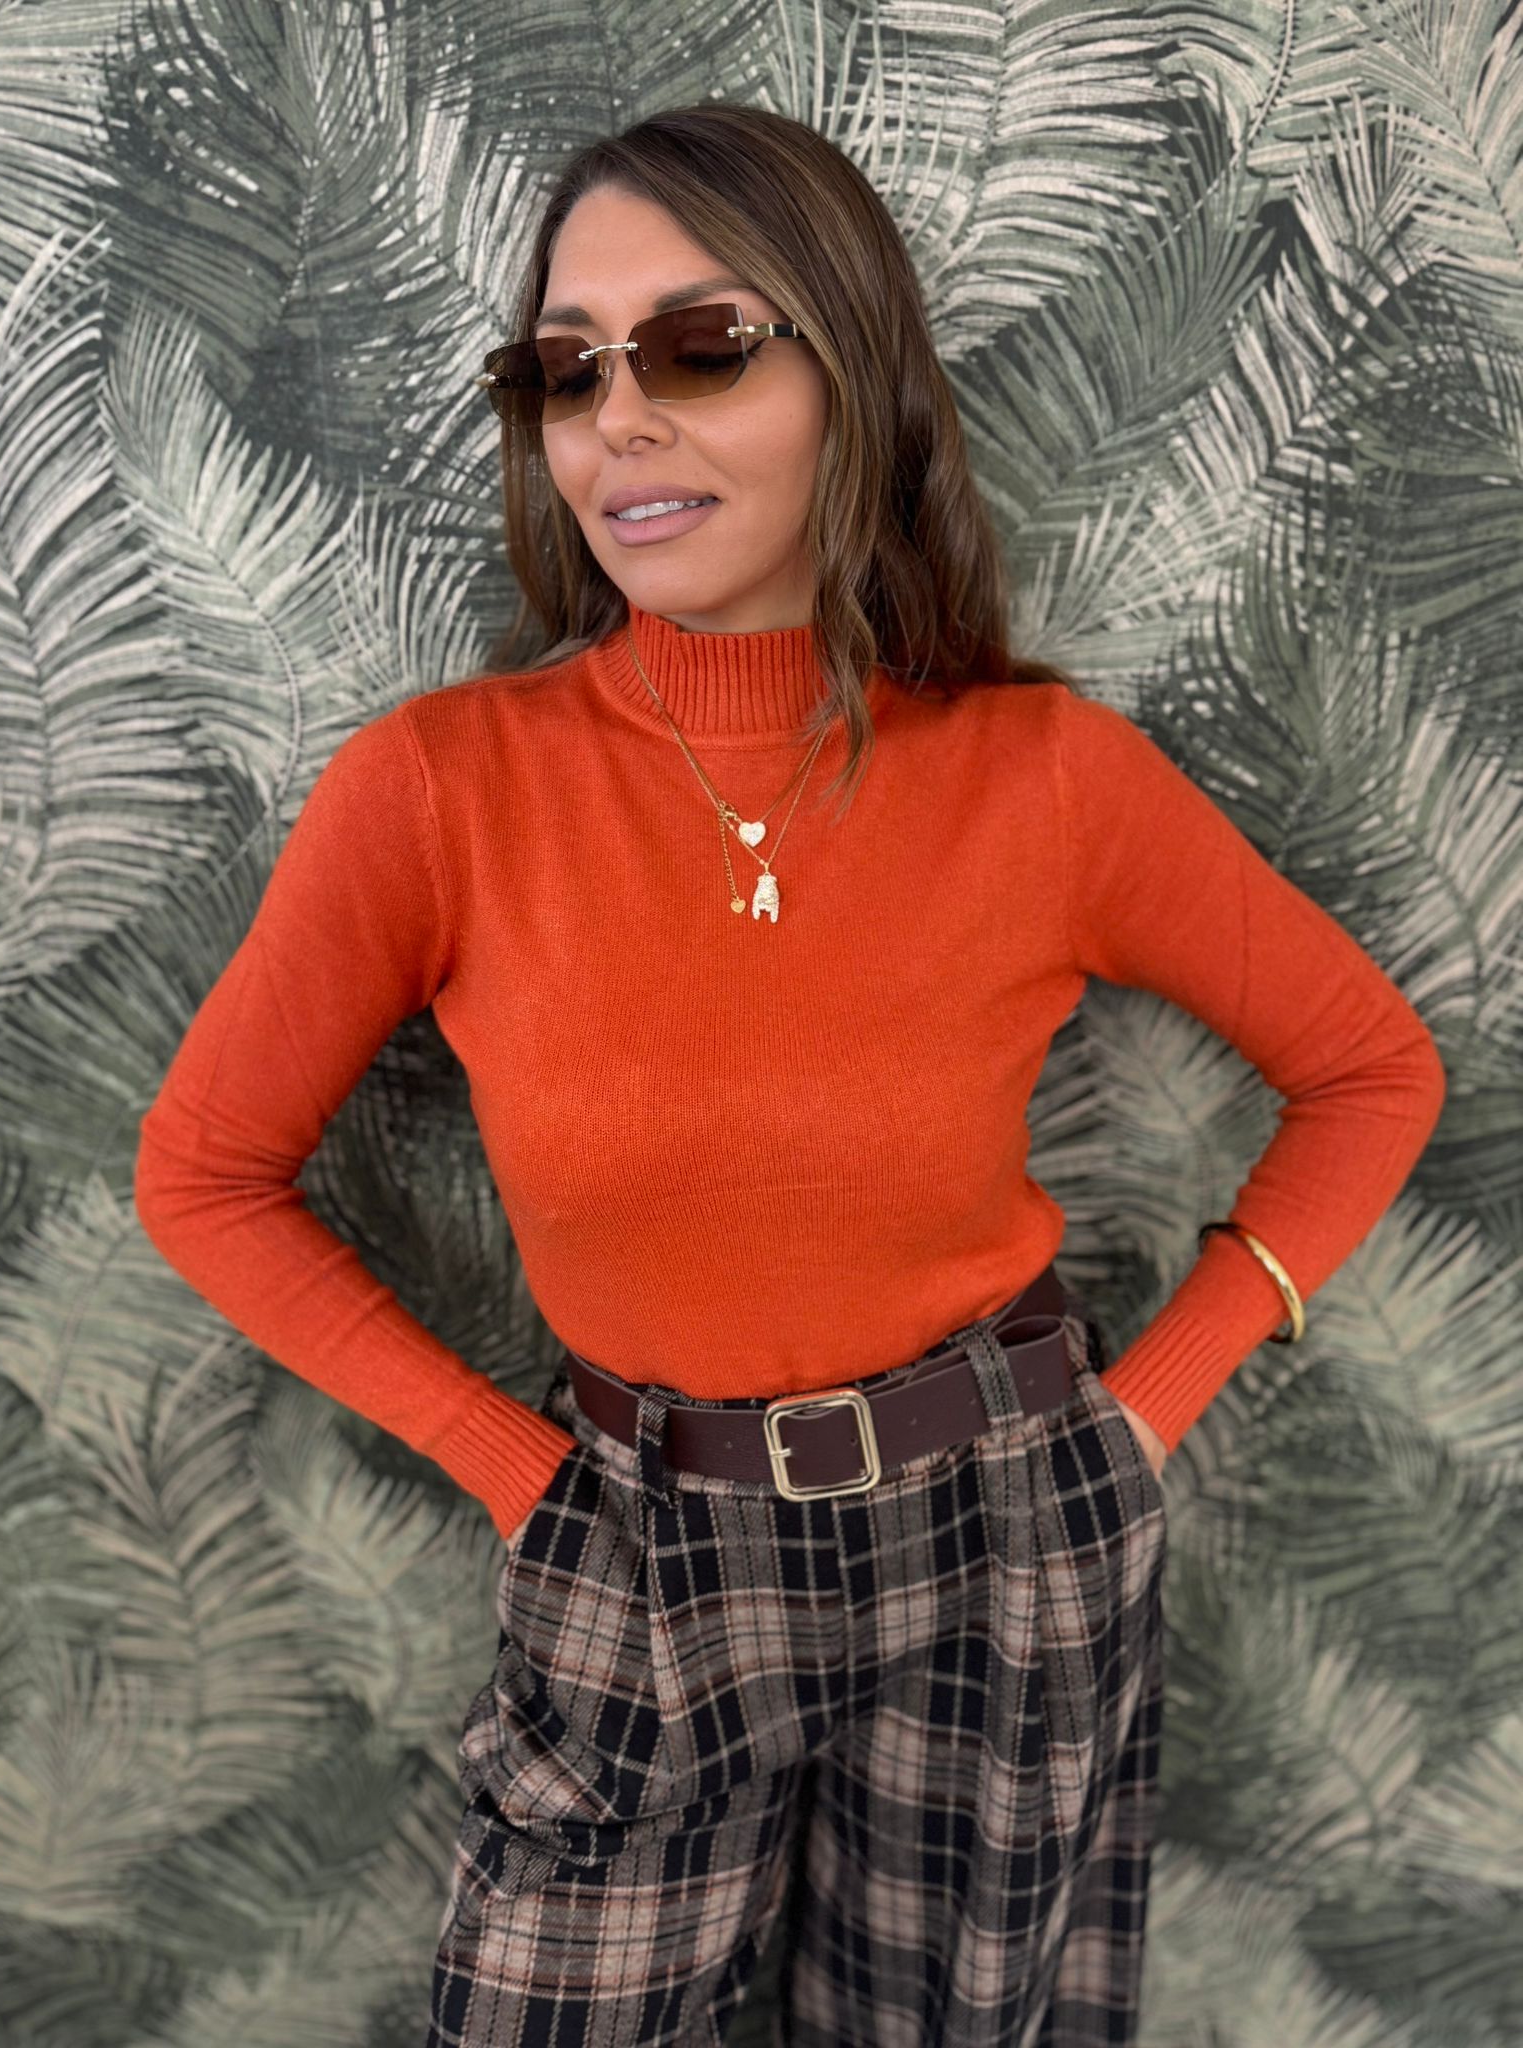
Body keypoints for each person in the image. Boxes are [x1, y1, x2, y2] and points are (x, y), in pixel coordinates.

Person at [132, 100, 1447, 2048]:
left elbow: (1371, 1065)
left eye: (701, 346)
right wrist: (511, 1466)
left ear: (855, 376)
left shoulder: (1046, 781)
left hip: (1010, 1532)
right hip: (636, 1549)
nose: (617, 420)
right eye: (565, 368)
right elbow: (202, 1172)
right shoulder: (438, 793)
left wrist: (1145, 1409)